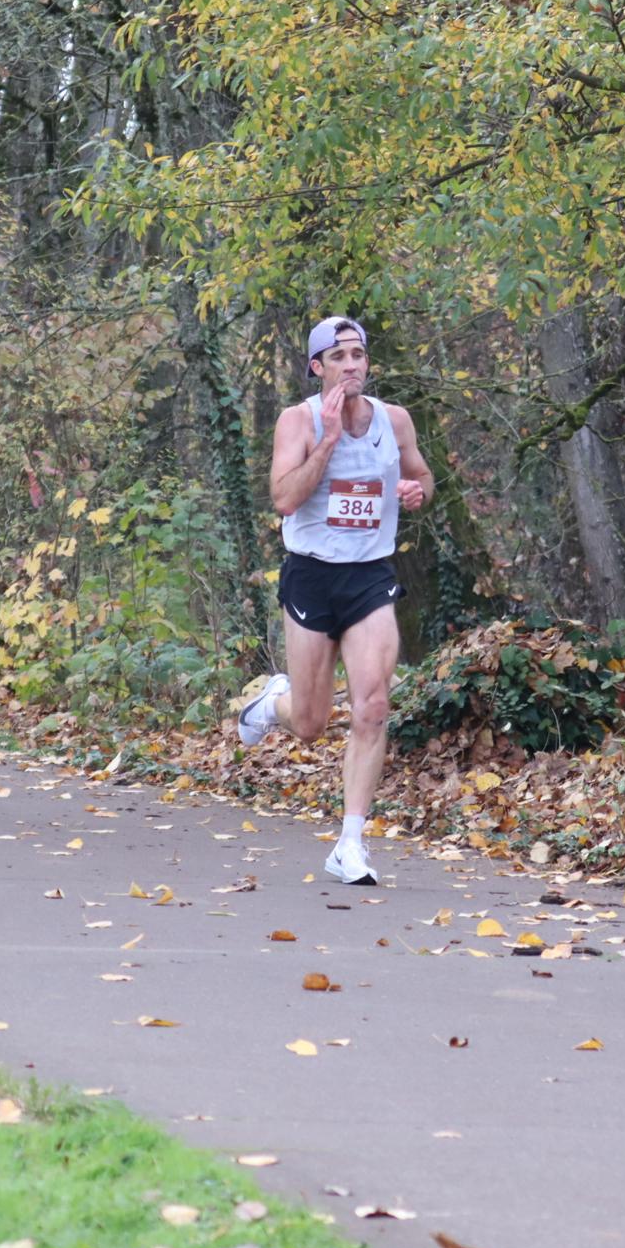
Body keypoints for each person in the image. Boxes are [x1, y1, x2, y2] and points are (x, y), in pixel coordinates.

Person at [237, 317, 434, 885]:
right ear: (317, 367)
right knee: (310, 723)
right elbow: (284, 499)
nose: (351, 365)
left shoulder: (395, 420)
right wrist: (326, 441)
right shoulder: (297, 421)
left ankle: (351, 843)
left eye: (359, 355)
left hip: (369, 574)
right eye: (339, 357)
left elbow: (423, 477)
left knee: (372, 705)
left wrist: (416, 492)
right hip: (312, 575)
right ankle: (272, 703)